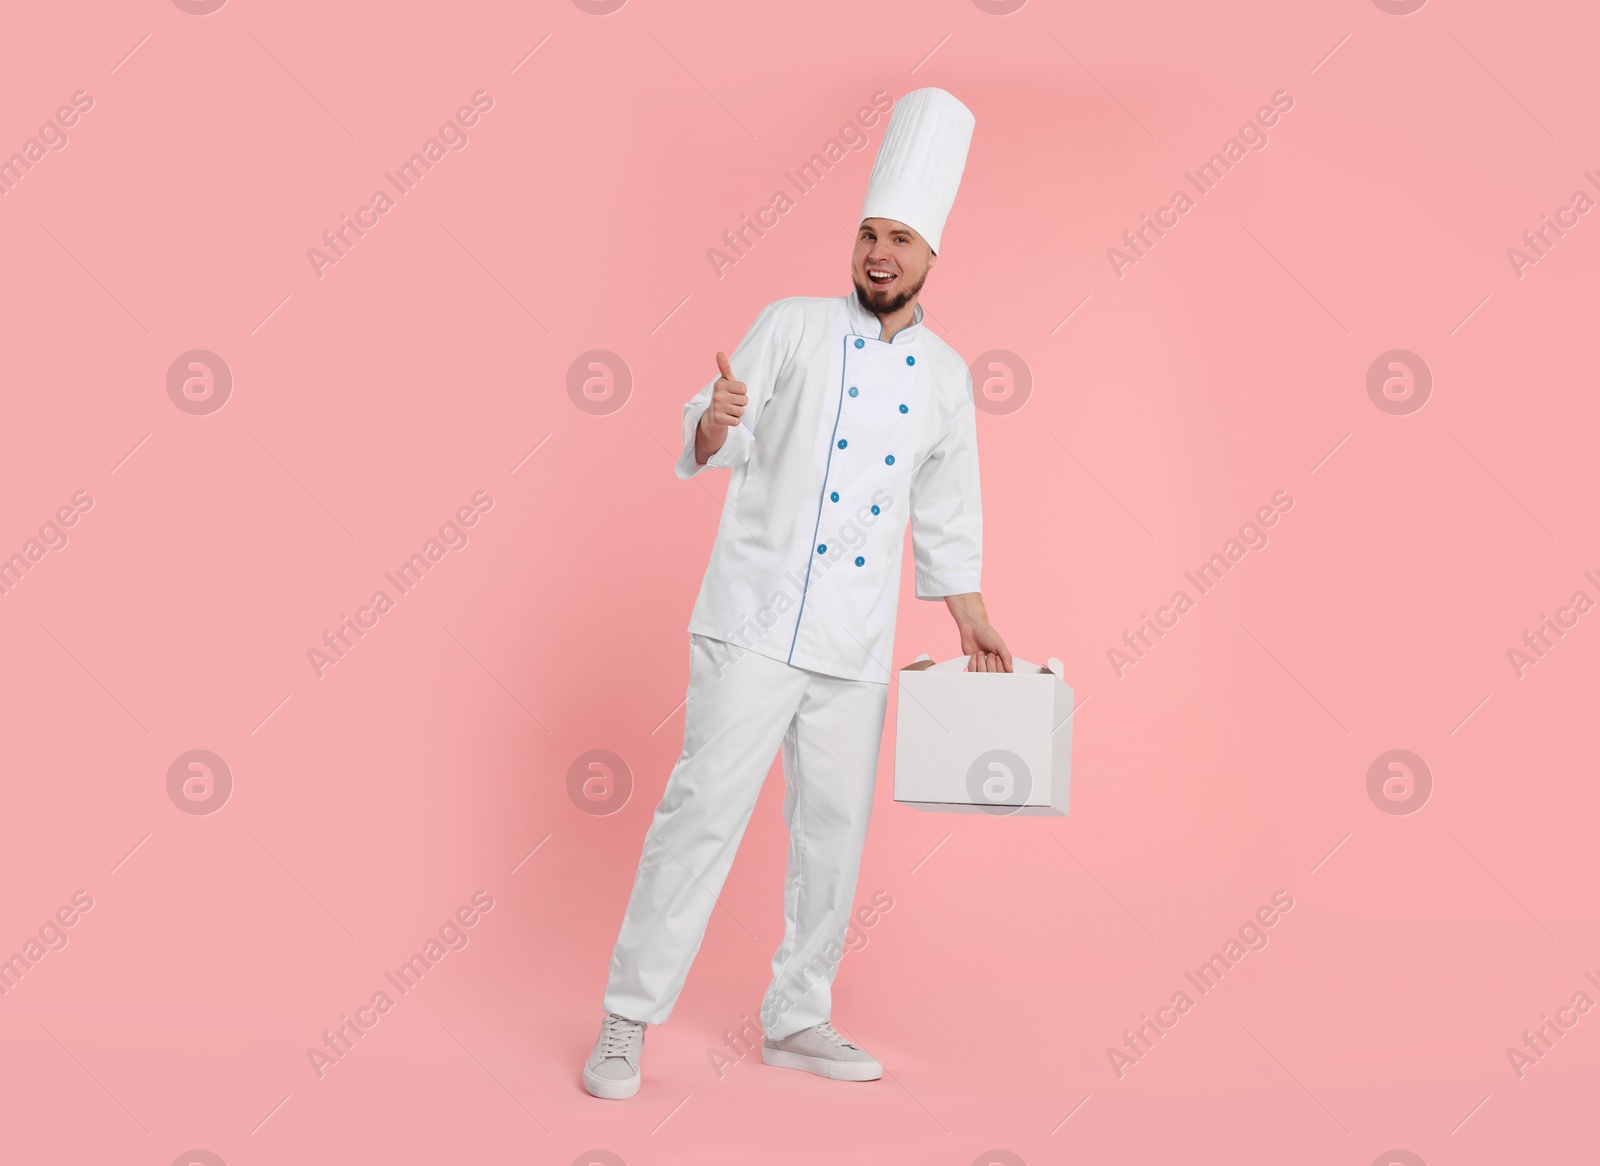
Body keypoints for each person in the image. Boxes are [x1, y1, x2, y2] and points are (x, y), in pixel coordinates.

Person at [583, 87, 1011, 1101]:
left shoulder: (946, 378)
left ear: (929, 258)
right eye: (867, 231)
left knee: (832, 838)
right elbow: (714, 429)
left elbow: (945, 505)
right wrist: (715, 419)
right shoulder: (790, 325)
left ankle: (798, 1014)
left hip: (853, 644)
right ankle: (624, 1020)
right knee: (699, 815)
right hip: (751, 621)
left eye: (898, 238)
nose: (877, 251)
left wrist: (971, 612)